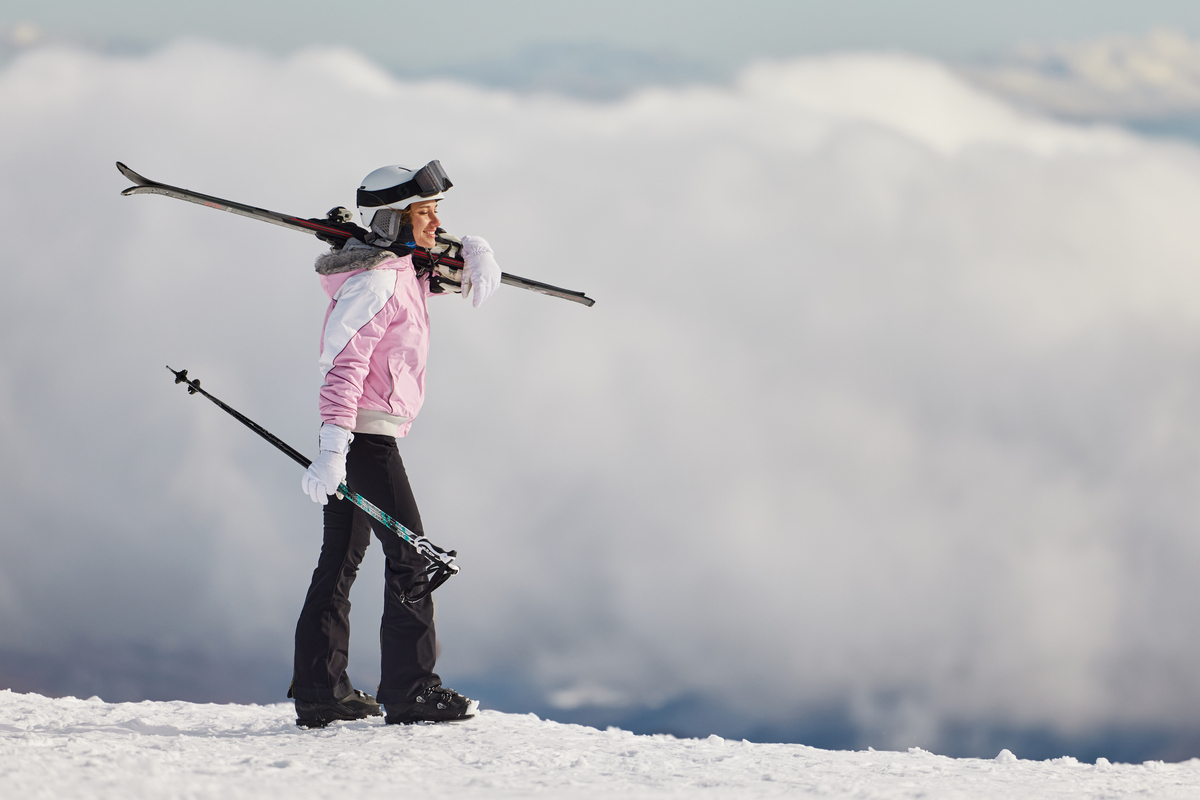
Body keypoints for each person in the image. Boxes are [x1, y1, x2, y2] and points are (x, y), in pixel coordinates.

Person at [287, 161, 500, 728]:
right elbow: (343, 365)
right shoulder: (376, 280)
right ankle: (411, 692)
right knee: (412, 560)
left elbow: (433, 268)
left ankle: (320, 690)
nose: (436, 224)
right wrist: (333, 447)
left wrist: (474, 249)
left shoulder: (399, 267)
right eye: (425, 213)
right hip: (363, 439)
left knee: (341, 560)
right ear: (394, 221)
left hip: (363, 436)